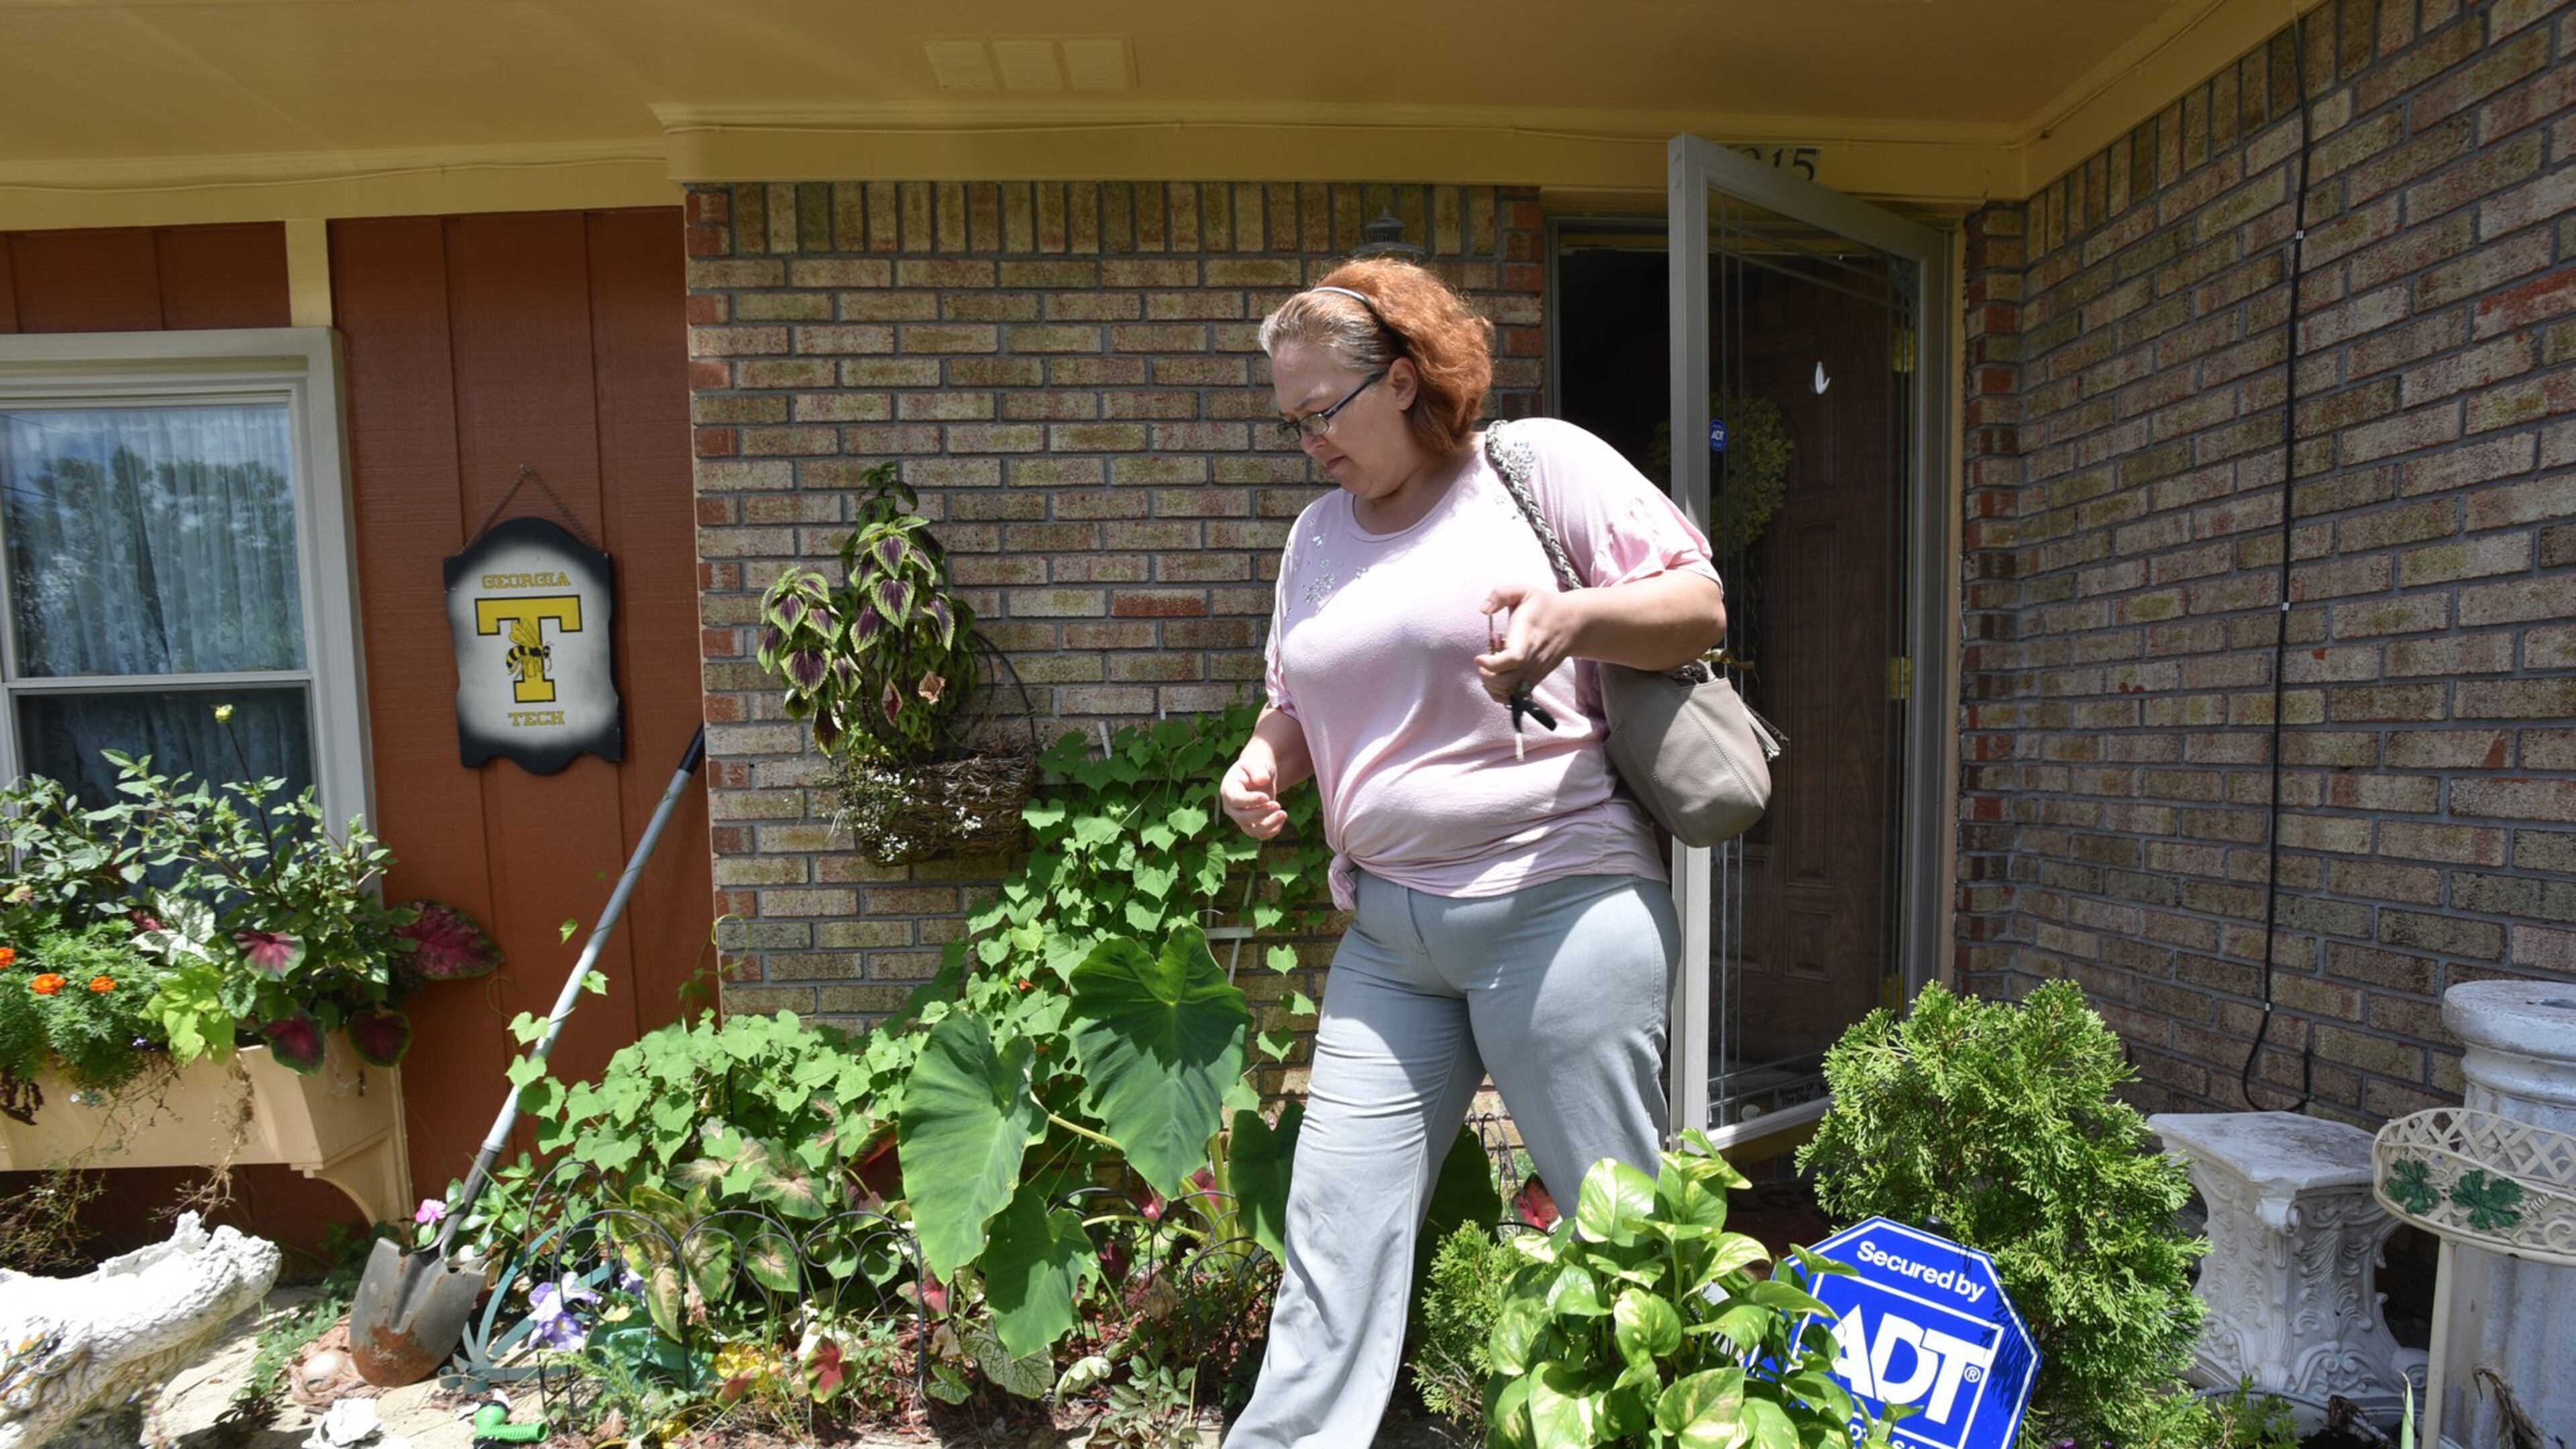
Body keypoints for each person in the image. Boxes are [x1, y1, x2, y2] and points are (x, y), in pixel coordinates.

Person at [1218, 258, 1728, 1447]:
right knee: (1332, 1237)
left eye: (1321, 415)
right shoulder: (1316, 537)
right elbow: (1295, 697)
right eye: (1288, 422)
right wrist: (1262, 760)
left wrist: (1575, 619)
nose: (1306, 444)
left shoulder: (1535, 466)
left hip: (1558, 910)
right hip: (1391, 936)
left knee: (1624, 1239)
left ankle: (1698, 1426)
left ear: (1400, 382)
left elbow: (1698, 602)